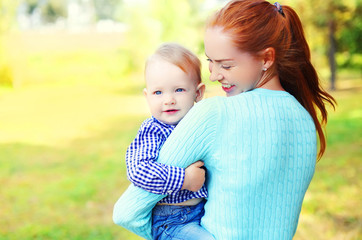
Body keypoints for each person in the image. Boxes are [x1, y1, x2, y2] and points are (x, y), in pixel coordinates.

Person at [113, 1, 336, 239]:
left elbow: (126, 212)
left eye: (226, 65)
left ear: (267, 58)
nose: (214, 75)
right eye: (210, 60)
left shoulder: (215, 114)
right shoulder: (304, 120)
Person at [115, 42, 215, 240]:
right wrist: (184, 179)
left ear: (198, 93)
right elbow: (139, 170)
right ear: (147, 96)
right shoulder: (153, 130)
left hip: (202, 210)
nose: (168, 99)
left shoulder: (200, 124)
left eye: (178, 90)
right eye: (158, 92)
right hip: (171, 220)